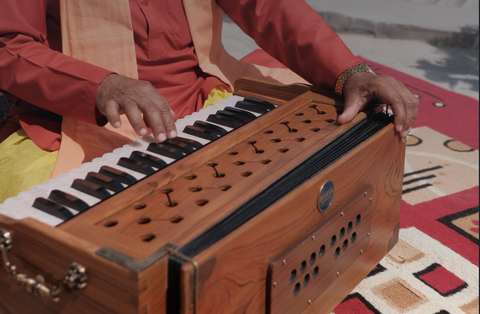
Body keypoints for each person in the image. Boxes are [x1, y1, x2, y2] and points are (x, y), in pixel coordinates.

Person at [0, 0, 418, 202]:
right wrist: (101, 85)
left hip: (204, 98)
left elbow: (267, 6)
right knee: (41, 217)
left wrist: (350, 71)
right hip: (81, 118)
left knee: (319, 158)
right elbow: (8, 43)